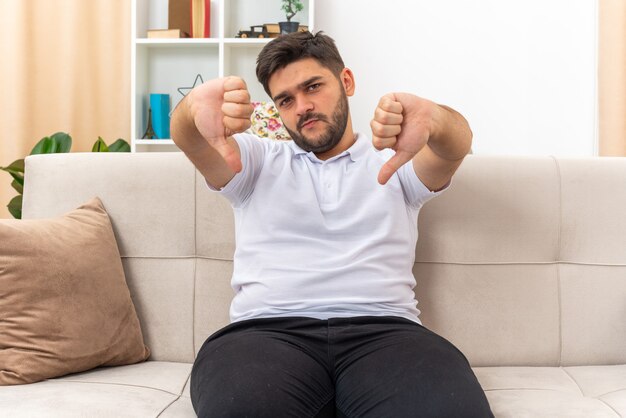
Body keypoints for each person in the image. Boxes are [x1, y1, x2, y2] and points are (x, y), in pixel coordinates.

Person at [171, 31, 493, 418]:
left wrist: (437, 119)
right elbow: (188, 138)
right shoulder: (254, 163)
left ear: (346, 82)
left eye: (313, 87)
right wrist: (190, 111)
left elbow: (455, 146)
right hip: (264, 335)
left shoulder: (395, 161)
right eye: (286, 100)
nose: (302, 107)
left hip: (386, 333)